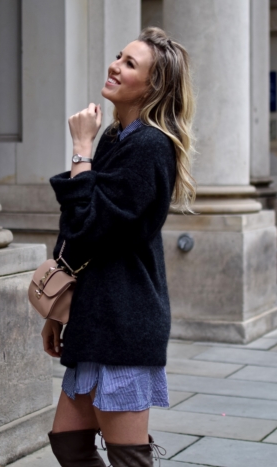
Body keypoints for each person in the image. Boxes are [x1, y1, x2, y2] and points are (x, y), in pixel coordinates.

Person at [42, 27, 196, 467]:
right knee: (68, 443)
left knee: (129, 458)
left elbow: (90, 226)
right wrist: (58, 308)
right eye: (118, 56)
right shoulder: (115, 137)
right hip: (95, 314)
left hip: (126, 321)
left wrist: (79, 148)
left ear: (153, 86)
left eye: (131, 64)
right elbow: (74, 226)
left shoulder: (149, 146)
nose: (115, 65)